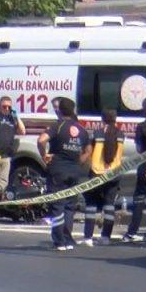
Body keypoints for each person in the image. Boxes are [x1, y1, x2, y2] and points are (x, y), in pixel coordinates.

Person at [37, 97, 92, 251]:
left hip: (58, 170)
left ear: (60, 110)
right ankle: (68, 239)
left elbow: (41, 140)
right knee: (69, 205)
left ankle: (59, 241)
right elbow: (88, 150)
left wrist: (44, 155)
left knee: (57, 205)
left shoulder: (58, 126)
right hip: (74, 171)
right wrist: (78, 161)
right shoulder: (81, 129)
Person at [81, 108, 124, 245]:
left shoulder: (97, 133)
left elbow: (89, 150)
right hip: (114, 174)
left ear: (102, 119)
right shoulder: (121, 134)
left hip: (96, 173)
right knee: (109, 205)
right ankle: (106, 237)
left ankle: (88, 237)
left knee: (91, 204)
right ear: (115, 119)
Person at [122, 97, 146, 244]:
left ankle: (132, 231)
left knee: (139, 199)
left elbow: (139, 149)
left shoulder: (141, 127)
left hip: (145, 164)